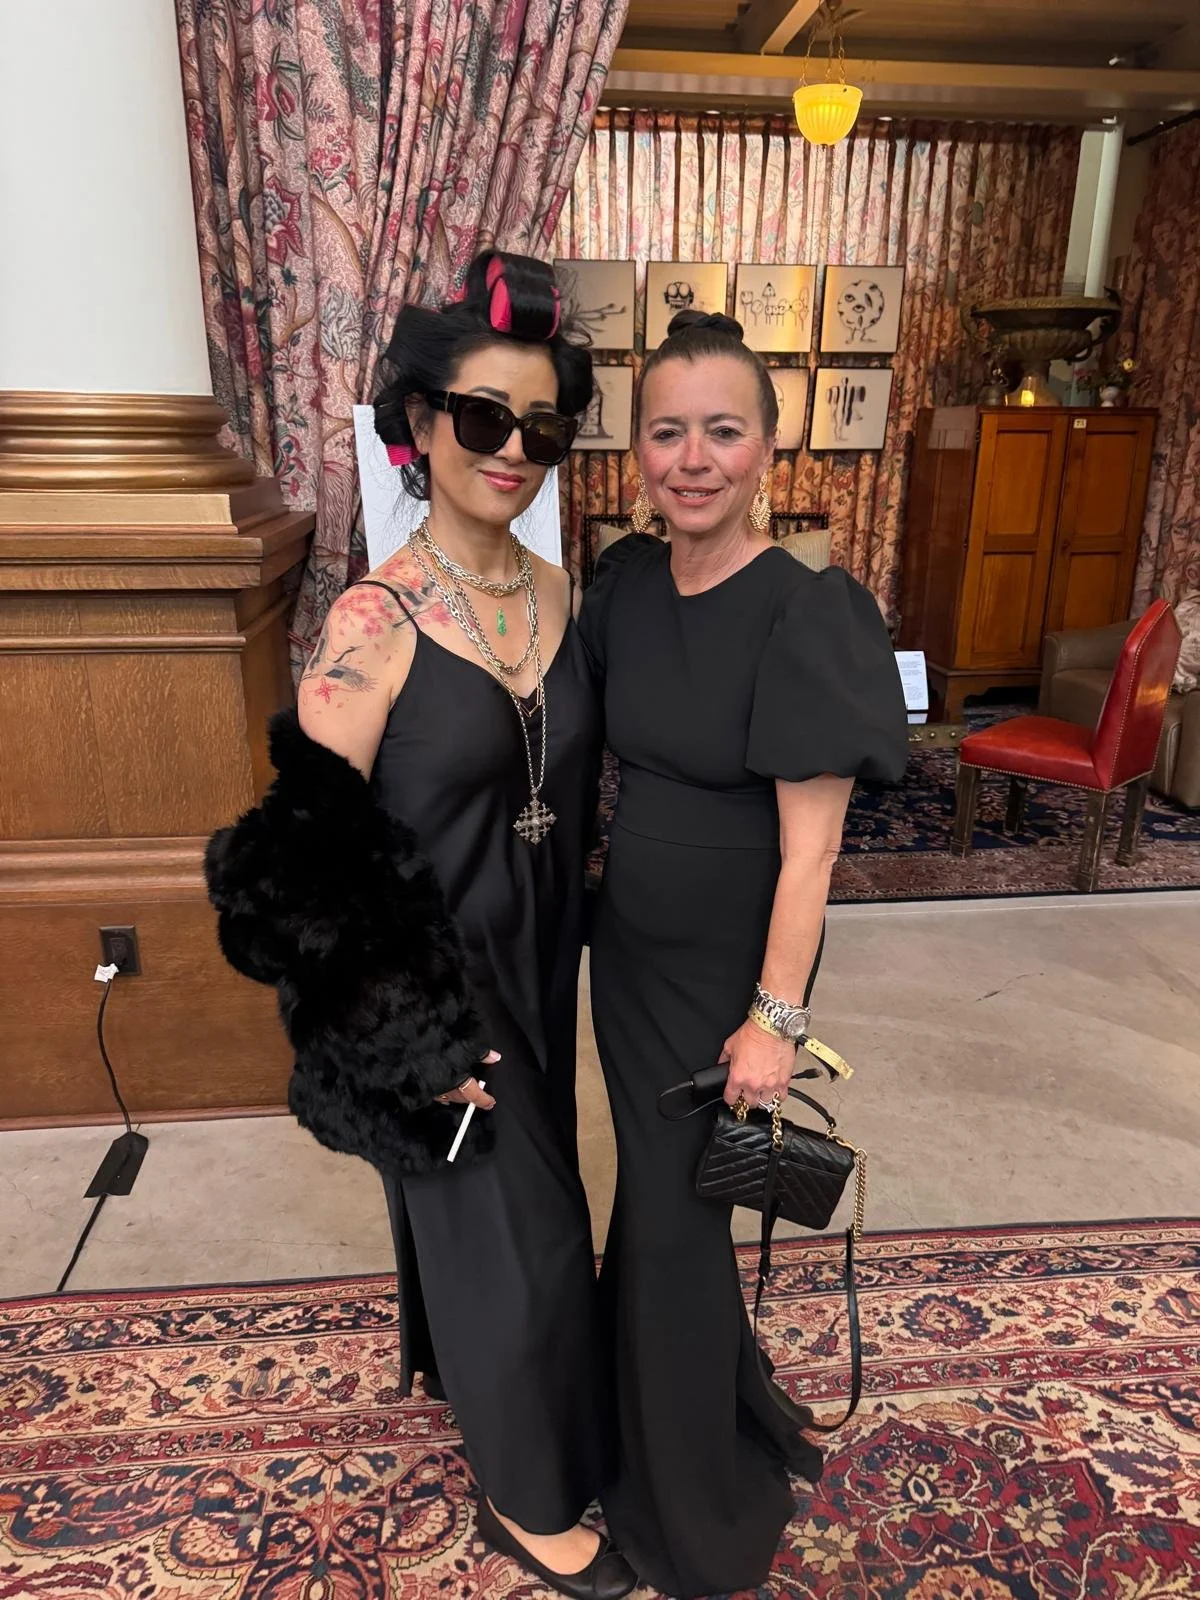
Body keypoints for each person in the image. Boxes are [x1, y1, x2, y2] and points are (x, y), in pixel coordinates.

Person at [207, 251, 634, 1600]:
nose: (513, 451)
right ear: (419, 423)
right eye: (483, 418)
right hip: (442, 994)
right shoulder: (370, 624)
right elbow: (284, 875)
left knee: (526, 1219)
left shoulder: (564, 600)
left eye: (542, 426)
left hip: (541, 967)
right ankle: (528, 1493)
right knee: (530, 1242)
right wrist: (405, 1035)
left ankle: (500, 1395)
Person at [580, 309, 909, 1598]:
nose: (694, 457)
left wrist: (773, 1017)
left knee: (670, 1222)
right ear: (636, 449)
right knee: (661, 1214)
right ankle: (673, 1429)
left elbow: (812, 855)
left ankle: (691, 1511)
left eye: (724, 430)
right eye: (669, 431)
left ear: (767, 447)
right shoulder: (623, 589)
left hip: (729, 974)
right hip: (630, 962)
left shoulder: (807, 611)